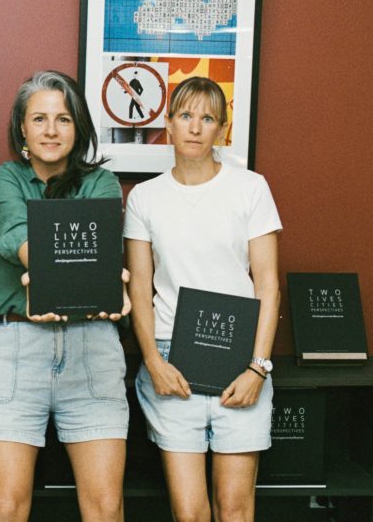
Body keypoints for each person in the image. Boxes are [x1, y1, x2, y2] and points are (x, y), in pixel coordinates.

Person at [0, 70, 131, 522]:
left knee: (105, 506)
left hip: (91, 346)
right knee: (7, 506)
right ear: (21, 127)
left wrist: (59, 279)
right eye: (38, 118)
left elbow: (98, 248)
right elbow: (20, 239)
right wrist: (75, 277)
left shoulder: (100, 184)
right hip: (15, 349)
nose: (50, 130)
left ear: (77, 126)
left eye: (63, 119)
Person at [124, 77, 281, 522]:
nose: (195, 127)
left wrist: (258, 367)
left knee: (234, 508)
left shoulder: (250, 188)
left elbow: (268, 285)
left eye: (207, 118)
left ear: (222, 130)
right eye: (186, 116)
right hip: (174, 362)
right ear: (168, 124)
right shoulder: (145, 198)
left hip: (242, 360)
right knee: (189, 512)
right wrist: (153, 362)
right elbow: (139, 287)